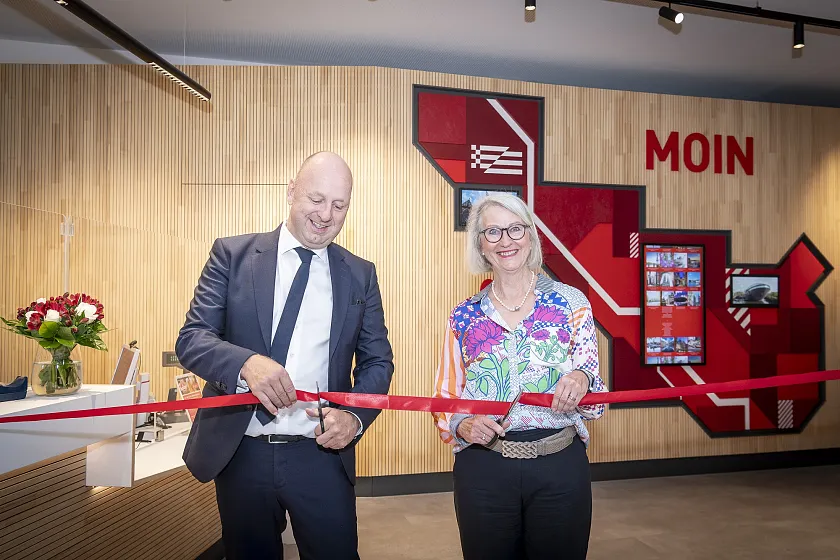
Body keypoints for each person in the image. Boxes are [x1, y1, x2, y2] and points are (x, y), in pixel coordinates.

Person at [176, 151, 394, 560]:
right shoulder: (232, 255)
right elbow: (192, 339)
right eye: (316, 199)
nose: (326, 214)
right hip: (242, 452)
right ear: (291, 191)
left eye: (339, 204)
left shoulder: (361, 274)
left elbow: (378, 362)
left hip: (322, 454)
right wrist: (244, 363)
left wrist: (355, 417)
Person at [432, 192, 607, 560]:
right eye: (492, 232)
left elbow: (597, 397)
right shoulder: (463, 317)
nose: (506, 241)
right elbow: (446, 398)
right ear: (480, 244)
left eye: (515, 229)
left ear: (530, 236)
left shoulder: (572, 303)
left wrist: (582, 379)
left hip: (560, 466)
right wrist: (462, 426)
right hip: (484, 469)